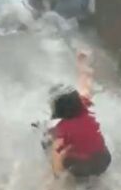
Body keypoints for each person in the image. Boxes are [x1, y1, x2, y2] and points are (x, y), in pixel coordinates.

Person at [48, 50, 111, 179]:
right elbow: (85, 86)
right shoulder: (83, 105)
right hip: (104, 160)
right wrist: (82, 65)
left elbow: (57, 156)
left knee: (48, 142)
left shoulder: (60, 128)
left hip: (82, 168)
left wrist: (57, 177)